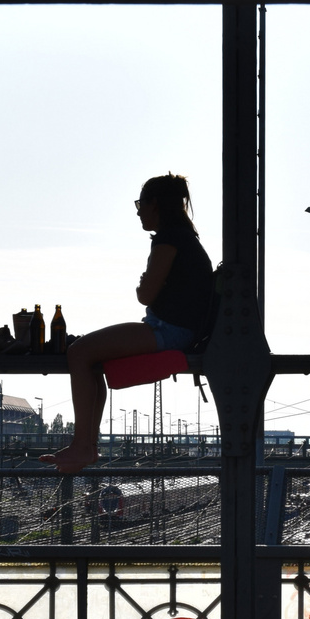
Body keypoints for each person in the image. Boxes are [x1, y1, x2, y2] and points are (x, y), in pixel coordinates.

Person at [43, 173, 214, 474]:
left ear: (155, 204)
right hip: (179, 330)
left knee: (79, 353)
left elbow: (145, 294)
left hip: (168, 331)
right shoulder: (186, 238)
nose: (137, 210)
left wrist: (145, 286)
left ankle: (84, 445)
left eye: (140, 203)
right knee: (90, 357)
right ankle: (87, 445)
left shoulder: (168, 239)